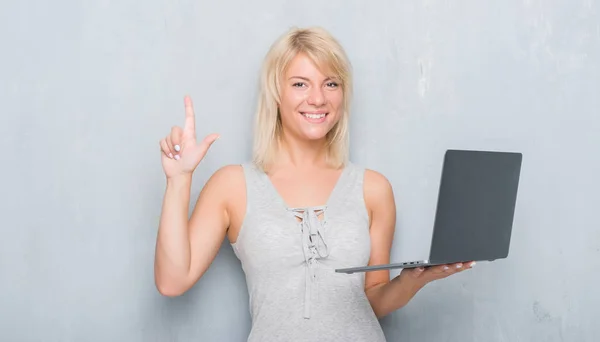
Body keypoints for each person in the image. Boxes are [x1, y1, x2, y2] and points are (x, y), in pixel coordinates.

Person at [154, 26, 474, 342]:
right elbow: (172, 281)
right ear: (276, 92)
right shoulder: (232, 185)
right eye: (300, 84)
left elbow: (373, 299)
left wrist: (413, 281)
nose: (318, 98)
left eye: (330, 83)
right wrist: (179, 180)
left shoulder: (373, 188)